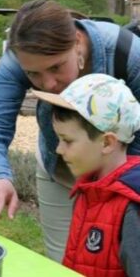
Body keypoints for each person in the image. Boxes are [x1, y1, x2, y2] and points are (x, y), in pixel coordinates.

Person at [0, 0, 140, 263]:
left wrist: (113, 188)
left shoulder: (129, 54)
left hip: (123, 180)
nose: (48, 84)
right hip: (59, 171)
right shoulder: (17, 60)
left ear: (76, 42)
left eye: (56, 67)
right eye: (34, 74)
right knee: (65, 261)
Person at [32, 73, 140, 276]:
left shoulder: (131, 209)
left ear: (107, 142)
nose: (58, 150)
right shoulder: (89, 190)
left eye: (67, 140)